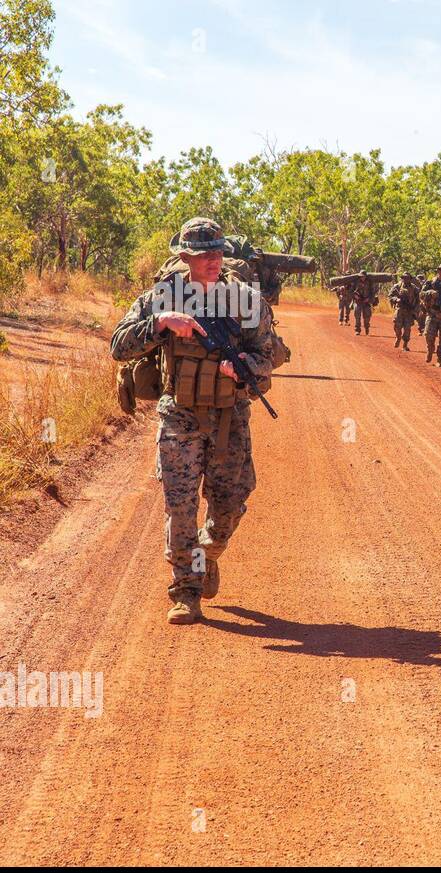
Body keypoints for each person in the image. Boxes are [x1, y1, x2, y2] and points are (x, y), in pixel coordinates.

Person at [109, 217, 276, 623]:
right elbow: (118, 345)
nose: (214, 260)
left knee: (231, 506)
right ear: (185, 257)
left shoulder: (245, 300)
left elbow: (269, 359)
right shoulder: (161, 296)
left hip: (229, 417)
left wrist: (245, 368)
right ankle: (186, 590)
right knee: (180, 506)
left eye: (219, 252)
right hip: (179, 416)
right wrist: (162, 323)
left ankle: (207, 554)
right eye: (205, 254)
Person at [390, 273, 419, 350]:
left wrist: (415, 310)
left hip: (409, 311)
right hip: (399, 309)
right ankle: (398, 337)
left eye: (407, 278)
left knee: (407, 329)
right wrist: (396, 299)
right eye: (404, 278)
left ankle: (405, 344)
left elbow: (418, 299)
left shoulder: (414, 288)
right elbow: (390, 295)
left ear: (410, 278)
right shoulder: (397, 286)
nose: (406, 279)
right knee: (397, 326)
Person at [352, 270, 373, 335]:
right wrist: (355, 296)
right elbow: (351, 291)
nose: (362, 277)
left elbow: (373, 293)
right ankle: (357, 330)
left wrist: (369, 299)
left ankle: (366, 328)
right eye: (361, 276)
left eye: (363, 276)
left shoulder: (369, 283)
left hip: (366, 302)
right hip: (358, 302)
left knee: (367, 317)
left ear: (366, 276)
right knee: (357, 317)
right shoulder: (356, 282)